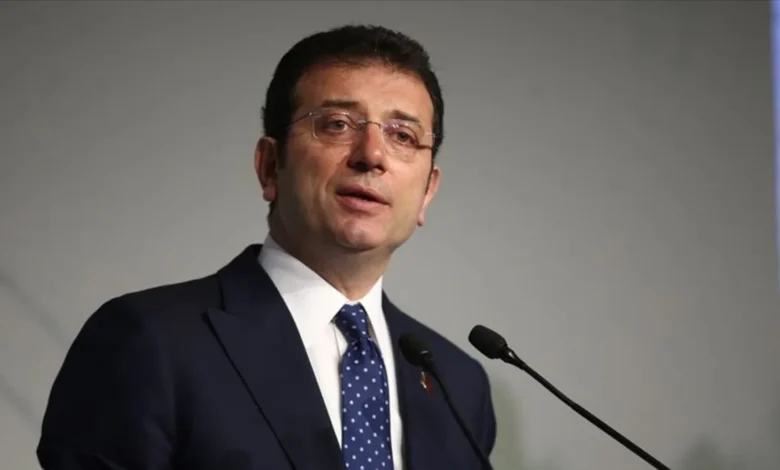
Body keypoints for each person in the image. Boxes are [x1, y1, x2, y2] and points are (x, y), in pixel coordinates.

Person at [36, 24, 497, 470]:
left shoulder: (458, 384)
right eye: (337, 124)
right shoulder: (148, 341)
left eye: (403, 136)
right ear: (270, 165)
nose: (371, 155)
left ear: (427, 192)